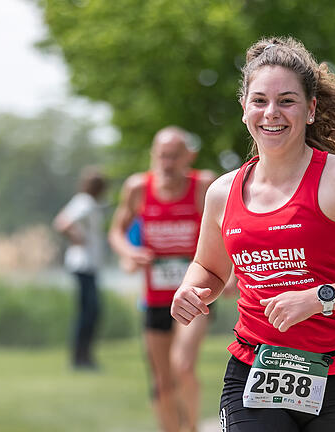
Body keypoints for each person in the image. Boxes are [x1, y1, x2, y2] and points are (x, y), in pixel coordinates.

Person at [171, 37, 335, 432]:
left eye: (287, 101)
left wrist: (319, 298)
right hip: (255, 373)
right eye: (259, 100)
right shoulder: (222, 193)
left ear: (310, 110)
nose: (271, 112)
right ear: (244, 109)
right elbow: (210, 267)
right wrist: (191, 288)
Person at [108, 126, 215, 432]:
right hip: (155, 297)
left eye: (174, 156)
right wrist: (129, 250)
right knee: (162, 379)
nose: (167, 163)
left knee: (182, 365)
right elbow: (116, 231)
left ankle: (192, 426)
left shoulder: (202, 185)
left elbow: (223, 230)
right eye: (162, 156)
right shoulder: (138, 188)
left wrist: (228, 272)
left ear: (188, 156)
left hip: (195, 294)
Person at [53, 166, 108, 370]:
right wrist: (78, 237)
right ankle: (80, 358)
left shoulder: (89, 203)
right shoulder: (84, 202)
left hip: (88, 265)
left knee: (90, 312)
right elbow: (62, 222)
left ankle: (83, 357)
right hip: (83, 265)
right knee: (89, 312)